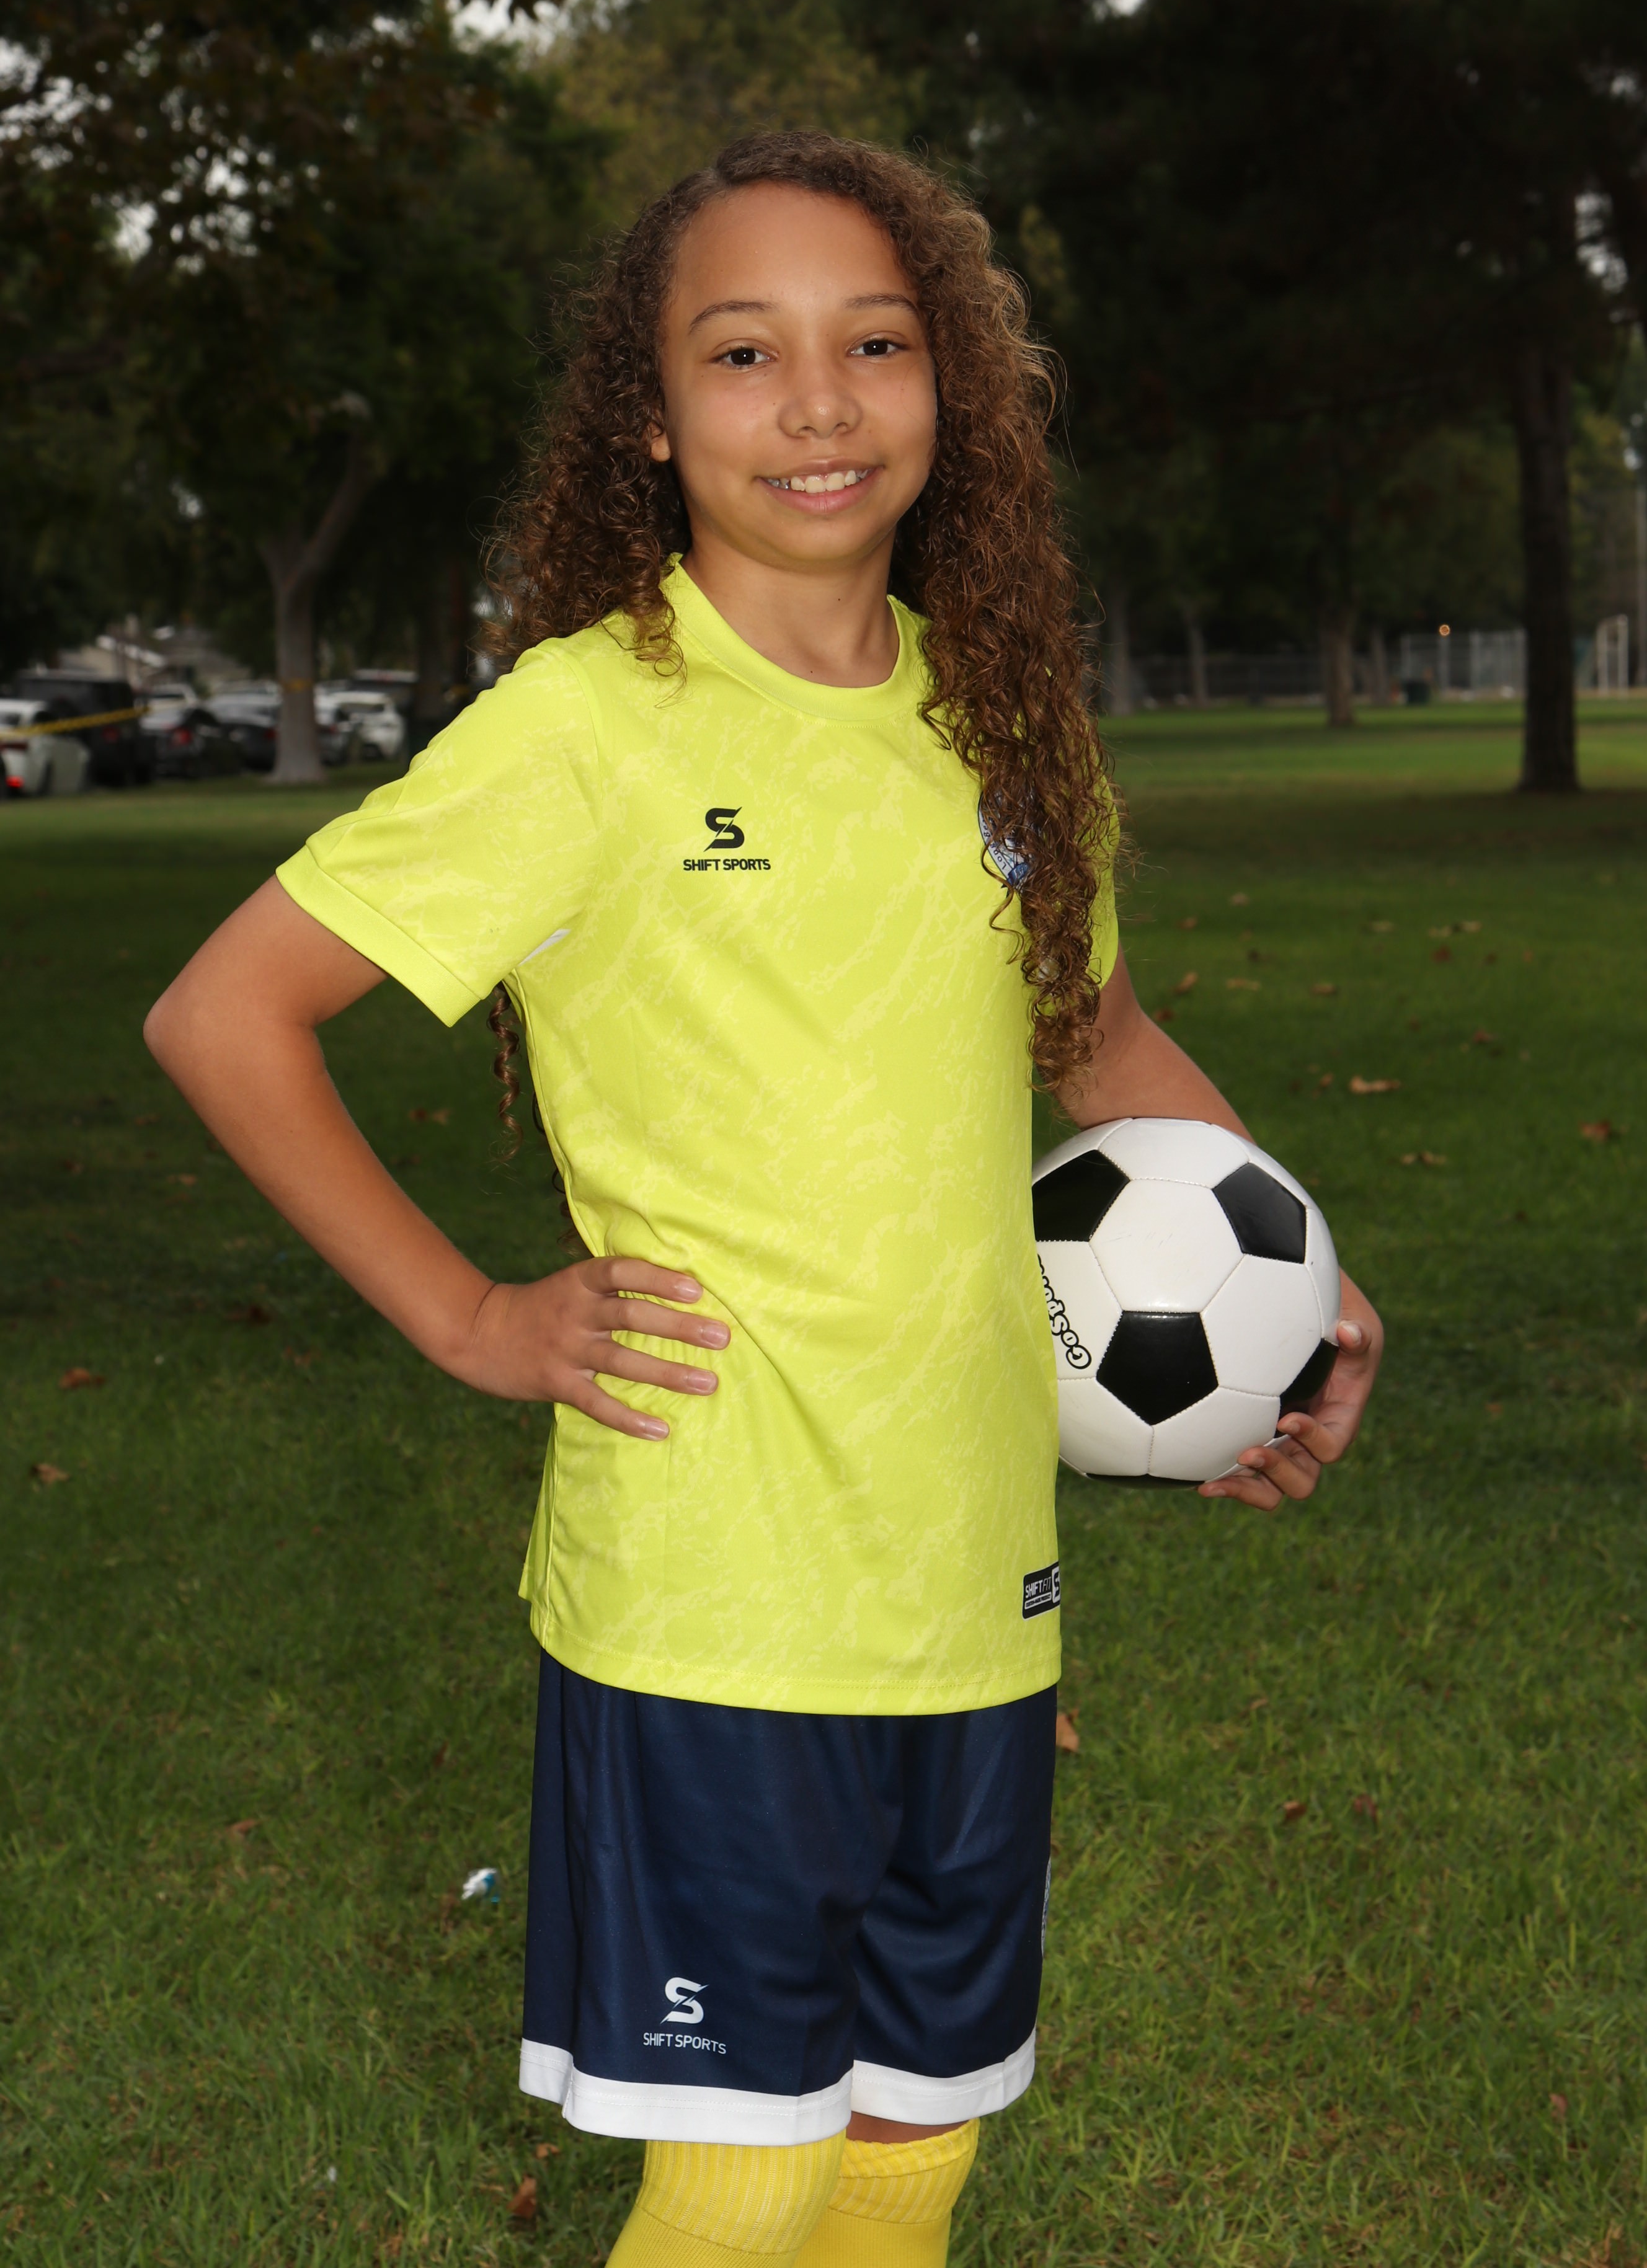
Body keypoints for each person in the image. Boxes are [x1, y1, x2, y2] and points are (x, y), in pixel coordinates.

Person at [146, 131, 1383, 2268]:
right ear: (649, 415)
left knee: (913, 2147)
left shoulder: (1000, 725)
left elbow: (1094, 1040)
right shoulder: (586, 727)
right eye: (743, 352)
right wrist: (471, 1317)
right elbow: (225, 1014)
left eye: (874, 344)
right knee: (742, 2180)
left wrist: (1311, 1286)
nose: (818, 402)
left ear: (949, 384)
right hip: (713, 1592)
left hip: (968, 1582)